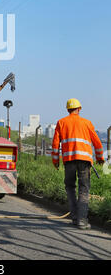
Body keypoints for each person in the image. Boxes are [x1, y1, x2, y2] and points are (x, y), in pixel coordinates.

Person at [52, 98, 104, 230]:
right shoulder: (87, 123)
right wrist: (100, 157)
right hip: (85, 161)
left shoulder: (61, 122)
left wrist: (55, 161)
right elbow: (97, 142)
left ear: (68, 109)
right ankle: (82, 221)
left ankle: (75, 218)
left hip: (69, 160)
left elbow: (55, 144)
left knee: (70, 187)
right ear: (79, 109)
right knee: (84, 189)